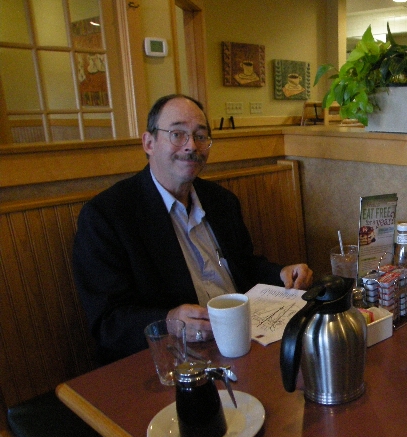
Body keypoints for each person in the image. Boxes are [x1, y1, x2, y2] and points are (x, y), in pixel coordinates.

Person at [73, 94, 313, 364]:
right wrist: (170, 321)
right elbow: (107, 322)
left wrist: (280, 273)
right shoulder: (106, 216)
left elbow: (243, 265)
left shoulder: (221, 201)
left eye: (200, 136)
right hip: (174, 356)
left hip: (245, 339)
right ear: (149, 143)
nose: (191, 146)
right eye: (177, 134)